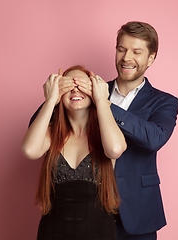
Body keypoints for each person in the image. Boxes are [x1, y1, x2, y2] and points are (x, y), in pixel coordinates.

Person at [71, 21, 178, 239]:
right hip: (88, 211)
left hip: (138, 216)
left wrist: (105, 104)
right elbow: (45, 126)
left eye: (136, 52)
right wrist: (55, 95)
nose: (126, 58)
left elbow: (154, 138)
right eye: (121, 49)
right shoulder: (90, 92)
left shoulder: (165, 102)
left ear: (151, 58)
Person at [21, 65, 127, 240]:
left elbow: (115, 150)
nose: (75, 89)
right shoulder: (51, 133)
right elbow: (29, 150)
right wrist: (50, 100)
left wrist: (101, 100)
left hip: (99, 231)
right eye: (68, 86)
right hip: (54, 231)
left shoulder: (105, 133)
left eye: (82, 85)